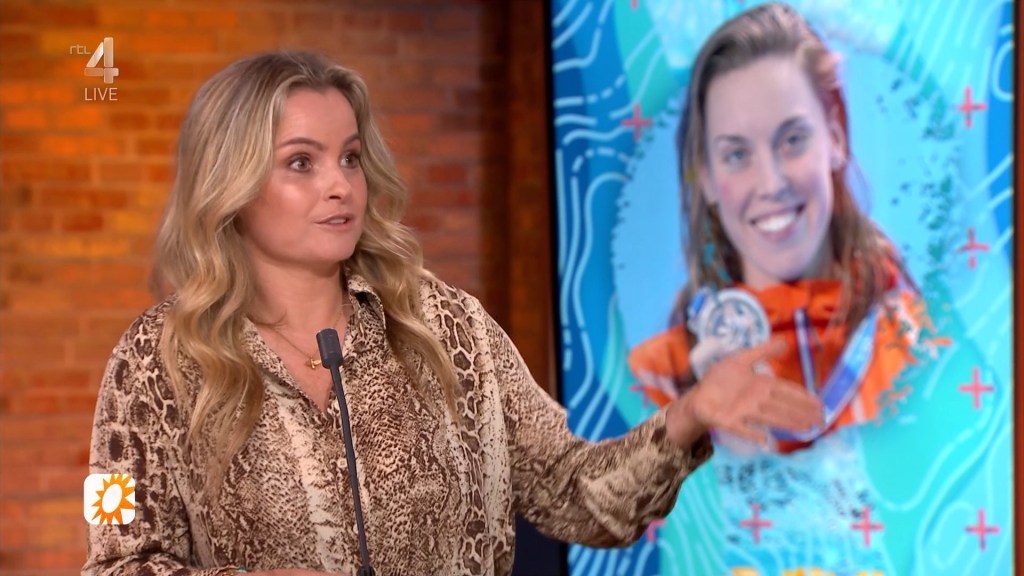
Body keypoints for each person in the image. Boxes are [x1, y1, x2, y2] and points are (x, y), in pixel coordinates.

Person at [82, 50, 822, 576]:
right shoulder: (149, 362)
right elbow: (113, 558)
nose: (340, 185)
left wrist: (688, 417)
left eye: (350, 158)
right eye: (302, 162)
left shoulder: (449, 328)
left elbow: (576, 495)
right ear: (232, 182)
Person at [628, 2, 928, 455]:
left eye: (793, 140)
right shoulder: (656, 378)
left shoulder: (918, 347)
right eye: (736, 154)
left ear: (835, 139)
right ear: (705, 176)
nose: (771, 183)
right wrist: (693, 443)